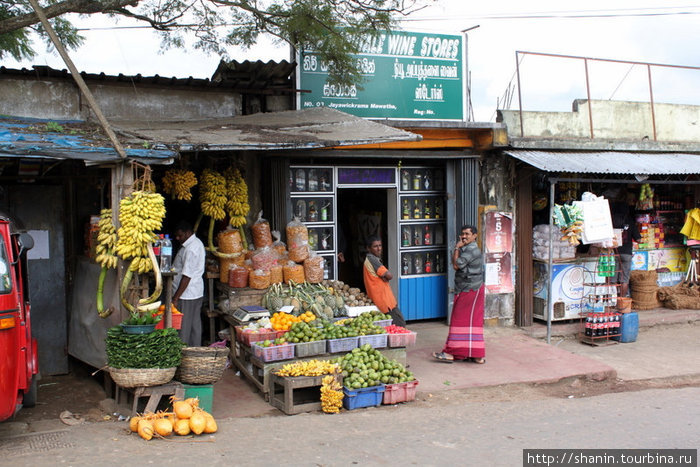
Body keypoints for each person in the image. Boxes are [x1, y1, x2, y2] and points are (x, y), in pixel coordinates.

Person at [433, 225, 485, 364]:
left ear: (475, 236)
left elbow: (456, 265)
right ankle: (476, 355)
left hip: (471, 290)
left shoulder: (472, 250)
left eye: (467, 234)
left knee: (458, 320)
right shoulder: (467, 249)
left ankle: (452, 352)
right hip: (467, 288)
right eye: (462, 234)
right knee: (471, 322)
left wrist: (456, 247)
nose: (464, 236)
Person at [171, 220, 206, 347]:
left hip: (187, 294)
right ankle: (194, 352)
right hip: (193, 292)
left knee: (184, 327)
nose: (177, 238)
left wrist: (176, 297)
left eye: (180, 235)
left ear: (188, 233)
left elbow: (187, 276)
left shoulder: (191, 249)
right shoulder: (193, 244)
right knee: (194, 325)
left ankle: (184, 354)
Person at [362, 235, 406, 327]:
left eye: (380, 245)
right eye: (375, 246)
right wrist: (385, 277)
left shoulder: (371, 259)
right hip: (384, 302)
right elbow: (389, 276)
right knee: (400, 325)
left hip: (385, 299)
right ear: (368, 248)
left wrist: (384, 276)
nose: (379, 249)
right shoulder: (372, 259)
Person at [610, 198, 641, 297]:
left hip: (614, 252)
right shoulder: (630, 221)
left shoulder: (612, 221)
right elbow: (639, 239)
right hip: (626, 253)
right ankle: (622, 300)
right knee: (624, 279)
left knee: (613, 279)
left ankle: (613, 300)